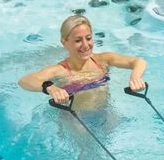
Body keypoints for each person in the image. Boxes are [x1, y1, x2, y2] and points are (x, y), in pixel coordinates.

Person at [18, 15, 147, 107]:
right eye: (78, 40)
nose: (86, 45)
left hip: (106, 113)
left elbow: (138, 61)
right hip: (76, 121)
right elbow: (24, 81)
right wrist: (51, 88)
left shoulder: (103, 60)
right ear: (65, 42)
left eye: (89, 38)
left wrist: (135, 77)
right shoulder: (60, 70)